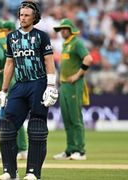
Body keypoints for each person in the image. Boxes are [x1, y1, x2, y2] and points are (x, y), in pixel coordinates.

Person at [0, 1, 58, 180]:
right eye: (21, 15)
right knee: (6, 127)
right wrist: (4, 91)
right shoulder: (12, 37)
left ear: (34, 18)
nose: (22, 18)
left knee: (37, 128)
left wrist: (51, 85)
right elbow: (9, 64)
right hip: (20, 85)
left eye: (26, 15)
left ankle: (33, 172)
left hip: (38, 83)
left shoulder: (42, 36)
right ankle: (10, 171)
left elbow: (49, 62)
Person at [0, 18, 28, 160]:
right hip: (14, 81)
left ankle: (8, 148)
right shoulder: (7, 41)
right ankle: (22, 148)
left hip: (2, 83)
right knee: (15, 116)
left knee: (3, 116)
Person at [53, 18, 93, 161]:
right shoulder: (65, 44)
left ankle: (80, 150)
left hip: (74, 85)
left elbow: (88, 59)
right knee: (67, 119)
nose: (62, 31)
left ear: (71, 30)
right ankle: (70, 150)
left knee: (76, 119)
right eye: (61, 29)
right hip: (64, 85)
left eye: (65, 29)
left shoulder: (76, 43)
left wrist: (77, 75)